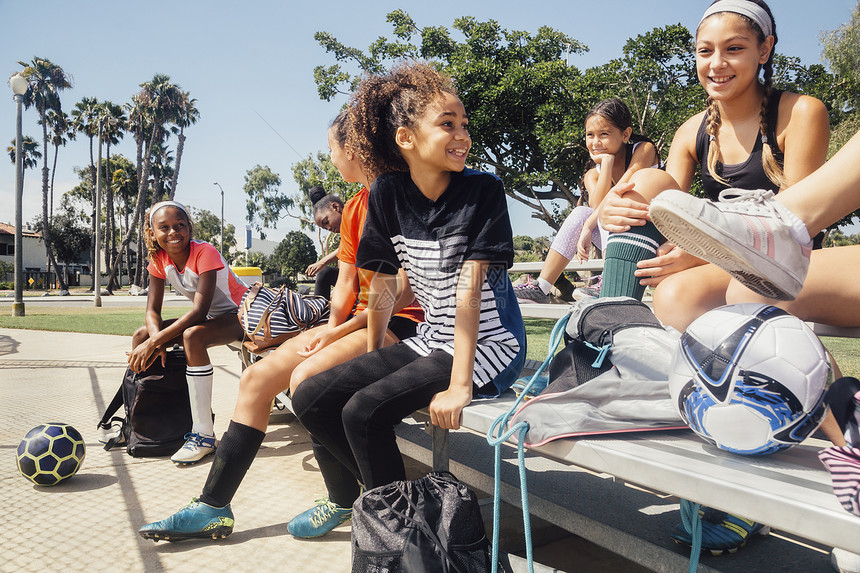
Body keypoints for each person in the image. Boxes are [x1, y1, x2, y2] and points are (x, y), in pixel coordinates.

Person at [137, 109, 424, 542]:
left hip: (400, 323)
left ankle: (348, 498)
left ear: (354, 148)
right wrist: (330, 325)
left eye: (332, 149)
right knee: (255, 378)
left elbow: (402, 291)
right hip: (350, 321)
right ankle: (212, 506)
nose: (331, 159)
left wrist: (337, 332)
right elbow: (345, 283)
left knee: (308, 378)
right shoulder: (354, 208)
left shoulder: (402, 198)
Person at [285, 62, 526, 539]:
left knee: (363, 411)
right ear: (406, 138)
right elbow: (382, 287)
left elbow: (469, 291)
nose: (463, 136)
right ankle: (400, 512)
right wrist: (376, 357)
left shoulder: (483, 191)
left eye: (464, 124)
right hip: (432, 339)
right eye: (447, 124)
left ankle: (403, 536)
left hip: (487, 347)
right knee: (311, 397)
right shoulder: (389, 193)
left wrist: (460, 387)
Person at [597, 0, 828, 319]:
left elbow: (796, 225)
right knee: (647, 181)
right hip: (722, 263)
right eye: (705, 51)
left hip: (783, 262)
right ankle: (604, 331)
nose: (716, 64)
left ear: (764, 50)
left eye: (733, 49)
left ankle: (613, 337)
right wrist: (612, 208)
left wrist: (702, 253)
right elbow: (666, 212)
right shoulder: (692, 130)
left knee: (676, 295)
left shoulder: (801, 112)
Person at [650, 128, 860, 329]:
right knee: (675, 296)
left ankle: (781, 221)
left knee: (756, 292)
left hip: (786, 254)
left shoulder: (797, 109)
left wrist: (708, 250)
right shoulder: (692, 131)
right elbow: (673, 212)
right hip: (764, 252)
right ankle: (782, 219)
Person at [127, 201, 247, 465]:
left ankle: (203, 435)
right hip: (215, 317)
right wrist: (153, 340)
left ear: (189, 228)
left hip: (244, 315)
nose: (173, 232)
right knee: (141, 336)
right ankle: (143, 422)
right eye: (164, 227)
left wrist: (157, 340)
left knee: (193, 336)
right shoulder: (158, 259)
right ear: (152, 234)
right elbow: (152, 311)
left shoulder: (205, 252)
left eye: (180, 225)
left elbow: (200, 311)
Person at [514, 97, 658, 304]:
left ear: (625, 134)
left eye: (604, 134)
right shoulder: (593, 174)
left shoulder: (644, 150)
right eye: (590, 135)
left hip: (650, 236)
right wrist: (606, 163)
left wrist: (589, 227)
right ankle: (542, 288)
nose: (595, 142)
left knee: (614, 207)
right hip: (620, 240)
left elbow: (619, 193)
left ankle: (609, 281)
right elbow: (598, 206)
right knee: (582, 212)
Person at [305, 185, 343, 299]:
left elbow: (350, 247)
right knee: (324, 273)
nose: (329, 228)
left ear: (336, 207)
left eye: (326, 222)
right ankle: (319, 311)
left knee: (324, 271)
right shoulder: (345, 234)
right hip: (353, 283)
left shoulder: (358, 215)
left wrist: (322, 262)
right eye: (325, 228)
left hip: (374, 280)